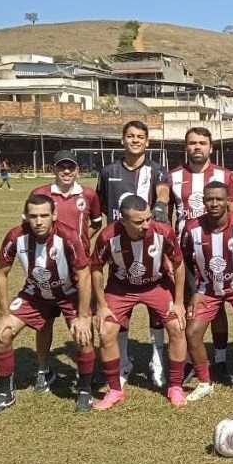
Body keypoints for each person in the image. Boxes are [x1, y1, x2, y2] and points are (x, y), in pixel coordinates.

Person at [0, 194, 94, 415]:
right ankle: (6, 394)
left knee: (84, 336)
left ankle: (84, 390)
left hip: (69, 293)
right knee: (1, 336)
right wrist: (5, 314)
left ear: (54, 215)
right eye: (33, 216)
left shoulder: (69, 236)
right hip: (35, 294)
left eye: (44, 215)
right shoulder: (16, 236)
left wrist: (83, 316)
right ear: (25, 217)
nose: (39, 221)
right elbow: (1, 273)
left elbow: (84, 275)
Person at [90, 195, 187, 410]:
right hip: (121, 287)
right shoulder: (108, 236)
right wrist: (102, 305)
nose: (146, 225)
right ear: (122, 221)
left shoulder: (163, 232)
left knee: (177, 326)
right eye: (138, 222)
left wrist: (179, 302)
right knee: (106, 332)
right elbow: (96, 268)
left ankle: (175, 386)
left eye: (148, 219)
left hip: (157, 285)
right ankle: (115, 390)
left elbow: (179, 265)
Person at [96, 120, 171, 387]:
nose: (135, 140)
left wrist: (160, 206)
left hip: (150, 247)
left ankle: (157, 358)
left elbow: (163, 192)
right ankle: (124, 361)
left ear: (147, 142)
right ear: (122, 140)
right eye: (130, 136)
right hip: (119, 249)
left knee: (157, 308)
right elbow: (104, 205)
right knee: (120, 307)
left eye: (140, 137)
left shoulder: (157, 169)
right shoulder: (108, 171)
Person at [181, 181, 233, 401]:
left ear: (228, 200)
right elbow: (183, 261)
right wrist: (194, 292)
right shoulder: (191, 229)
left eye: (219, 199)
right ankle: (204, 382)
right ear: (203, 201)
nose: (215, 203)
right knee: (192, 334)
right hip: (206, 290)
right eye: (210, 199)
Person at [168, 127, 233, 381]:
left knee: (217, 307)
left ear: (211, 147)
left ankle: (220, 359)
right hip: (186, 253)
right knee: (188, 306)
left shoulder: (224, 175)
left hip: (218, 250)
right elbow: (166, 219)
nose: (197, 147)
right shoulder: (174, 176)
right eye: (192, 143)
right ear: (185, 147)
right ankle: (188, 360)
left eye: (202, 143)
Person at [28, 150, 103, 392]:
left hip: (78, 268)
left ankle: (87, 372)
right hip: (48, 268)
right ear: (54, 169)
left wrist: (80, 245)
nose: (67, 171)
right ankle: (43, 371)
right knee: (44, 322)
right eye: (62, 167)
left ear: (77, 170)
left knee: (84, 318)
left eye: (71, 167)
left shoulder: (89, 194)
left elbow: (97, 223)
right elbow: (29, 226)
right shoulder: (40, 194)